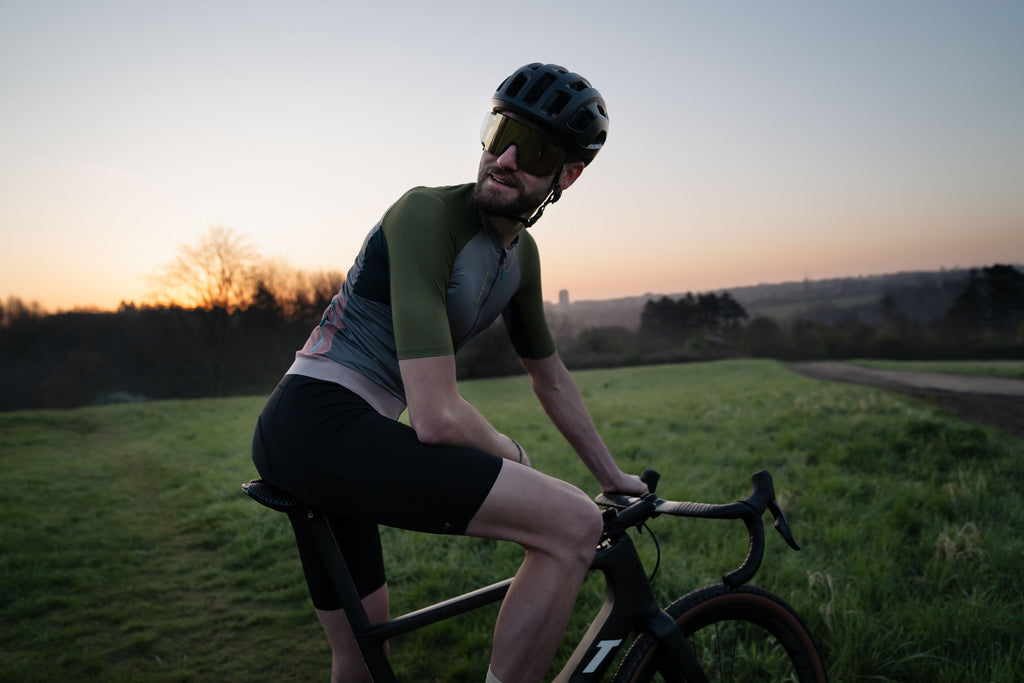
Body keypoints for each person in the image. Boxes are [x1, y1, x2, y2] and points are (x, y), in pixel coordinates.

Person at [251, 62, 647, 683]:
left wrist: (613, 475)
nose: (506, 158)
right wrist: (511, 455)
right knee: (573, 523)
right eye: (500, 132)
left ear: (567, 175)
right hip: (314, 421)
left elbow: (551, 378)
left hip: (345, 437)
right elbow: (436, 416)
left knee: (361, 659)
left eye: (535, 147)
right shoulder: (425, 216)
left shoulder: (523, 260)